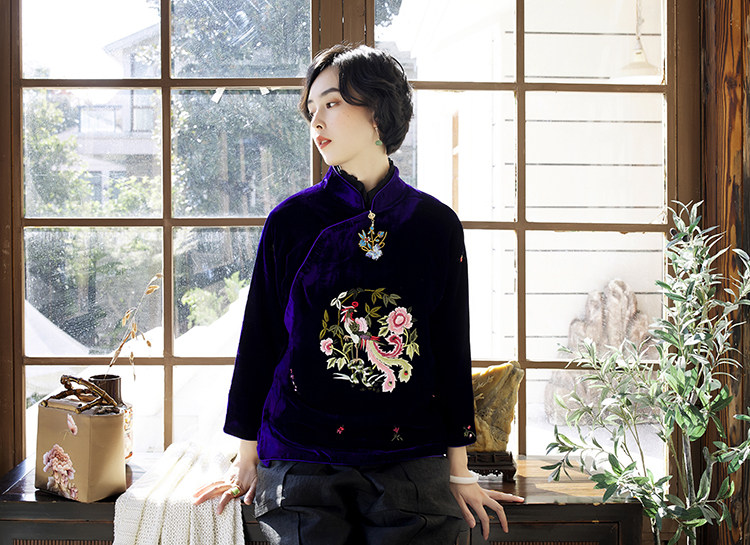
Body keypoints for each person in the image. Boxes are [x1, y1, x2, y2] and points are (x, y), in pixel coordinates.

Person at [194, 43, 524, 544]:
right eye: (311, 109)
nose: (316, 121)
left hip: (410, 455)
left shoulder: (435, 225)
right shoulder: (290, 222)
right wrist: (246, 452)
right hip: (301, 455)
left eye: (331, 103)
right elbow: (260, 339)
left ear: (377, 110)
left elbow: (450, 349)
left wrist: (460, 472)